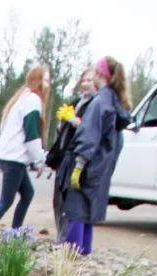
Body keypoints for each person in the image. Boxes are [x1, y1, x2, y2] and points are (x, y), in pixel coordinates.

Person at [62, 56, 132, 255]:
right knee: (87, 213)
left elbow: (88, 135)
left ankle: (71, 258)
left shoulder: (99, 102)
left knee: (76, 210)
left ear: (101, 74)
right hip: (101, 167)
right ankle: (84, 254)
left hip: (87, 166)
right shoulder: (115, 102)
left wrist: (78, 165)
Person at [0, 65, 50, 241]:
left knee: (27, 193)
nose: (48, 85)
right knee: (6, 201)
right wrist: (39, 160)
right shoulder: (32, 100)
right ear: (38, 81)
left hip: (11, 156)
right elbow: (31, 134)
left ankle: (15, 234)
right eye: (46, 80)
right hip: (14, 158)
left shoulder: (21, 99)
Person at [48, 69, 96, 240]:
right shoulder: (76, 103)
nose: (85, 84)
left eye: (89, 80)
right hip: (63, 157)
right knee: (58, 200)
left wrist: (74, 121)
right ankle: (61, 237)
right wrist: (62, 123)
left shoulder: (94, 106)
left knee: (72, 204)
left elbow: (91, 131)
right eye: (83, 80)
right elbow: (63, 131)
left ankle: (68, 243)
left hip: (78, 158)